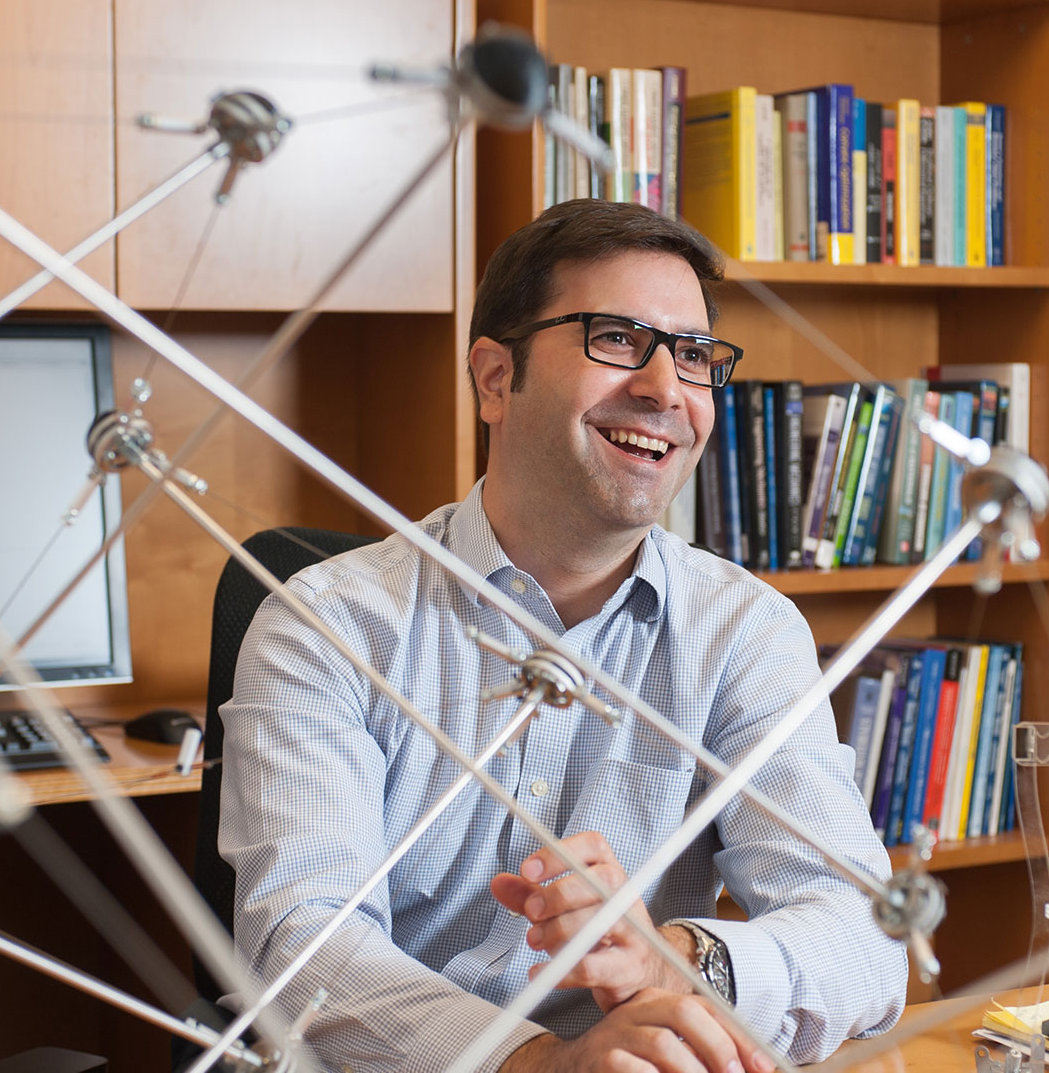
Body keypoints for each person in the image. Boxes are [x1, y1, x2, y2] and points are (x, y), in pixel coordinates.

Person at [218, 198, 907, 1073]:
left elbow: (869, 937)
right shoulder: (324, 623)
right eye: (616, 339)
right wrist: (538, 1063)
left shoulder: (745, 631)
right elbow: (302, 948)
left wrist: (683, 962)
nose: (664, 389)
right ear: (495, 379)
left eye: (692, 356)